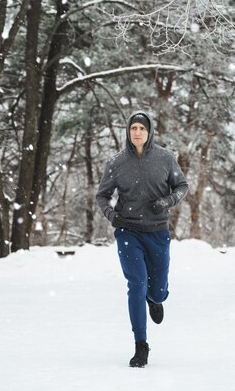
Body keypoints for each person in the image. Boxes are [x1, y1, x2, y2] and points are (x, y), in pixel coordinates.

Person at [96, 111, 188, 368]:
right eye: (133, 128)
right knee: (137, 282)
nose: (137, 132)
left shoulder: (165, 158)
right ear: (128, 131)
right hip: (128, 231)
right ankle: (141, 345)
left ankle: (155, 299)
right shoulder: (116, 162)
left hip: (158, 231)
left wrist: (167, 201)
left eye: (142, 128)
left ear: (149, 132)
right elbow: (102, 196)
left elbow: (182, 186)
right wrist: (111, 215)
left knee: (157, 289)